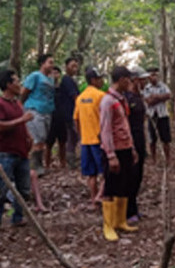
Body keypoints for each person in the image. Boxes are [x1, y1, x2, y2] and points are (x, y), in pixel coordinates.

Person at [0, 70, 34, 229]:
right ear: (8, 84)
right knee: (1, 189)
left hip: (21, 151)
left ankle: (18, 217)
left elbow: (21, 124)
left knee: (23, 188)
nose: (19, 84)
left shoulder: (17, 103)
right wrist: (22, 119)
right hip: (5, 153)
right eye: (16, 81)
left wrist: (28, 136)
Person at [98, 66, 139, 241]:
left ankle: (120, 220)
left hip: (125, 148)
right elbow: (105, 129)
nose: (129, 84)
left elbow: (125, 127)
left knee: (125, 185)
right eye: (128, 80)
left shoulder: (120, 100)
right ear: (121, 79)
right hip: (114, 150)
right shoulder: (107, 101)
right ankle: (108, 225)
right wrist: (111, 154)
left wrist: (132, 148)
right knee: (111, 186)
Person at [21, 53, 54, 211]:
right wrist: (21, 109)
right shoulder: (35, 76)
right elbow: (24, 92)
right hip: (35, 111)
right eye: (50, 62)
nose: (52, 65)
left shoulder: (51, 79)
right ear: (42, 63)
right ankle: (33, 169)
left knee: (42, 142)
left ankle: (36, 169)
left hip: (47, 112)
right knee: (36, 141)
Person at [74, 67, 107, 209]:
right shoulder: (101, 96)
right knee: (106, 171)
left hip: (86, 141)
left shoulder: (80, 98)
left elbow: (75, 119)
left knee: (91, 173)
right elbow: (106, 118)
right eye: (100, 78)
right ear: (94, 80)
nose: (102, 81)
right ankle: (100, 195)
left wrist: (81, 135)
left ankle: (94, 200)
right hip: (99, 140)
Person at [126, 66, 149, 223]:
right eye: (142, 79)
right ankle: (127, 212)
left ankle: (134, 208)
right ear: (135, 80)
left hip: (140, 139)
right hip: (130, 141)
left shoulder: (139, 96)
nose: (145, 82)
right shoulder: (126, 98)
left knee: (138, 176)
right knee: (130, 177)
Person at [144, 67, 172, 165]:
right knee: (152, 140)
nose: (154, 77)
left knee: (166, 139)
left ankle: (167, 159)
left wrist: (155, 97)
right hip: (152, 116)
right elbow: (148, 101)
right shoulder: (146, 88)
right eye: (152, 75)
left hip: (163, 115)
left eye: (155, 75)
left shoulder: (163, 86)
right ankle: (154, 159)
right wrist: (160, 98)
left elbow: (168, 95)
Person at [59, 57, 81, 167]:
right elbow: (74, 96)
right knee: (75, 135)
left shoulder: (71, 80)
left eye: (76, 66)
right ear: (66, 67)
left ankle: (71, 159)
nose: (75, 68)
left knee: (73, 137)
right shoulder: (67, 80)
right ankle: (72, 160)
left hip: (71, 113)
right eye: (72, 66)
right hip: (70, 113)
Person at [45, 66, 67, 168]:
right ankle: (47, 165)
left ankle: (63, 162)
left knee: (62, 142)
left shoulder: (63, 87)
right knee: (48, 143)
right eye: (52, 73)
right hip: (50, 117)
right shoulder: (46, 88)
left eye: (56, 73)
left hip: (61, 117)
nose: (54, 75)